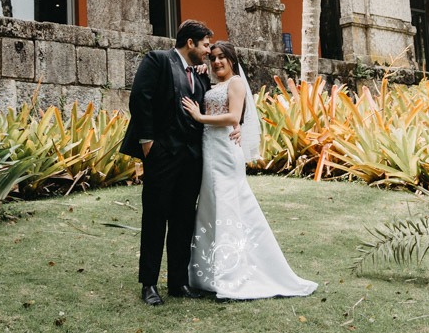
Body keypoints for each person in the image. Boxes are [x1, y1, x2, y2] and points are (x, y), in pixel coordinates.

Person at [181, 41, 318, 300]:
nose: (217, 62)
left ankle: (230, 273)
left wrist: (200, 118)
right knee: (211, 206)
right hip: (210, 150)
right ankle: (206, 273)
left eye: (222, 57)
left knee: (228, 205)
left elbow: (233, 117)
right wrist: (200, 69)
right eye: (213, 58)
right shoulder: (215, 84)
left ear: (233, 60)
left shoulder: (236, 83)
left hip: (225, 153)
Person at [119, 19, 214, 306]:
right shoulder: (158, 60)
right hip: (161, 156)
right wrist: (147, 143)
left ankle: (178, 283)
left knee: (184, 221)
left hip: (191, 160)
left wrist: (204, 74)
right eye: (206, 45)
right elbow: (140, 98)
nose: (209, 51)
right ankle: (148, 284)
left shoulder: (199, 75)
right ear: (190, 43)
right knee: (155, 219)